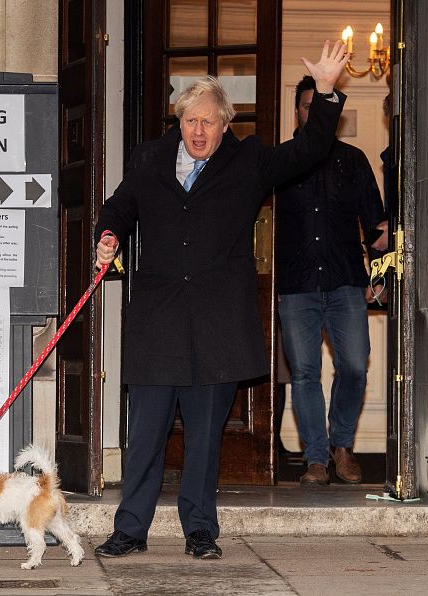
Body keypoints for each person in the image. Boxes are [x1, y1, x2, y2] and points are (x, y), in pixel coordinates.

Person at [92, 41, 349, 560]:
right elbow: (119, 207)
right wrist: (108, 235)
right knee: (145, 436)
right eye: (191, 121)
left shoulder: (248, 161)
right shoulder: (149, 158)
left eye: (210, 122)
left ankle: (200, 531)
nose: (199, 131)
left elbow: (308, 151)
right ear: (179, 121)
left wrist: (323, 93)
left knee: (206, 440)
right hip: (158, 320)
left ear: (225, 125)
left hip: (216, 324)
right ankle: (130, 529)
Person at [275, 74, 387, 487]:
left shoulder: (354, 160)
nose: (313, 111)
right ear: (299, 111)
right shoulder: (282, 160)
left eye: (320, 104)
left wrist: (380, 272)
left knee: (355, 366)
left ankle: (342, 446)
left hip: (345, 283)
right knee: (304, 373)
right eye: (306, 105)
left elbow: (376, 223)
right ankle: (317, 460)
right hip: (297, 285)